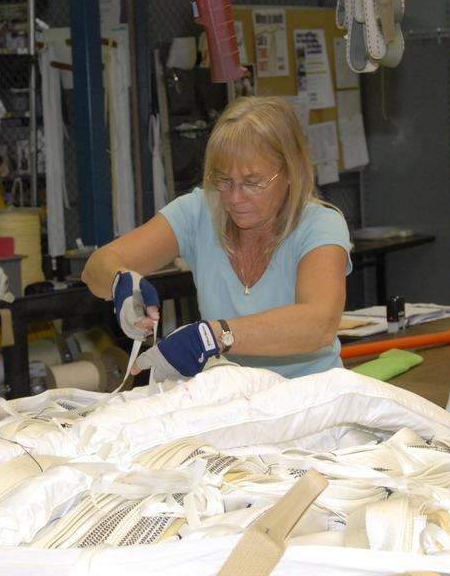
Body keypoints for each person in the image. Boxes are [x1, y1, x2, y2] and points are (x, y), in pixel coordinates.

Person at [83, 96, 351, 380]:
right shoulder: (198, 212)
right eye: (223, 180)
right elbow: (95, 268)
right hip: (234, 397)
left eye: (252, 182)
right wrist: (119, 281)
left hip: (313, 400)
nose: (235, 198)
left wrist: (214, 335)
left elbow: (319, 324)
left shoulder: (320, 225)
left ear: (291, 172)